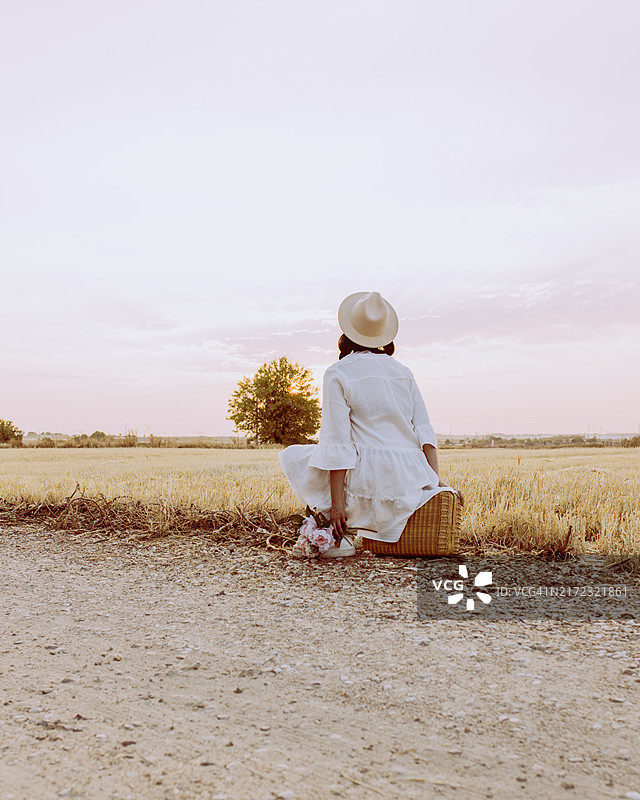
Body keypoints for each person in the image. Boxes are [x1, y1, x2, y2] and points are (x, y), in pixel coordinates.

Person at [279, 291, 458, 556]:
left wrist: (337, 507)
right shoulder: (404, 372)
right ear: (384, 334)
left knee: (295, 455)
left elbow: (337, 443)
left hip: (370, 476)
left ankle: (338, 532)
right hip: (411, 474)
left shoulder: (338, 372)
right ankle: (350, 531)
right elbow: (424, 431)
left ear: (347, 331)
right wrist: (435, 481)